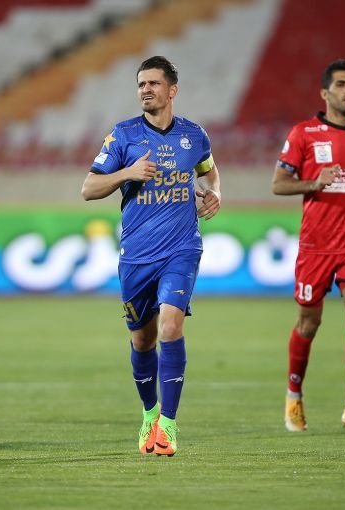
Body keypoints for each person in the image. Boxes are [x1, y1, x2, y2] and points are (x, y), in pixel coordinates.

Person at [81, 56, 221, 456]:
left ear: (172, 90)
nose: (145, 89)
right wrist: (127, 173)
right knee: (142, 340)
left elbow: (209, 172)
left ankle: (169, 427)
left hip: (182, 248)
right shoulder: (123, 136)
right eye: (141, 84)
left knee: (171, 327)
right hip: (137, 256)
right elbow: (88, 189)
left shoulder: (194, 136)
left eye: (154, 83)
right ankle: (149, 414)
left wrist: (215, 193)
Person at [271, 58, 345, 433]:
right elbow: (278, 184)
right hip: (316, 244)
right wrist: (313, 183)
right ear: (325, 93)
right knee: (309, 322)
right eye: (341, 84)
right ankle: (293, 395)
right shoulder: (303, 134)